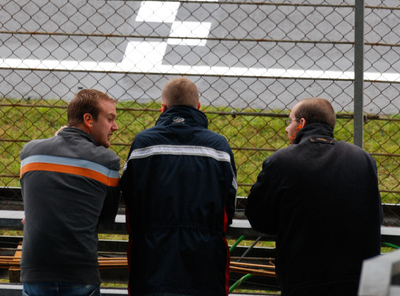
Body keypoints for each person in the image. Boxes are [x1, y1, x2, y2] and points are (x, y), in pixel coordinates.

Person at [245, 97, 382, 296]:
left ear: (301, 124)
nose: (286, 128)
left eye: (290, 121)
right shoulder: (363, 159)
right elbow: (374, 215)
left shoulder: (281, 161)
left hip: (303, 277)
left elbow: (258, 218)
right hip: (359, 279)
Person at [120, 77, 237, 296]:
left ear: (162, 108)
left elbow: (129, 194)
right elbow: (229, 200)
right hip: (205, 256)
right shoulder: (218, 146)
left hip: (150, 255)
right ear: (199, 107)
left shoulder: (143, 143)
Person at [20, 88, 120, 296]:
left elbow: (34, 202)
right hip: (79, 272)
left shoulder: (30, 152)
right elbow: (105, 218)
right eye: (110, 119)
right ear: (88, 120)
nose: (115, 127)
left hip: (35, 271)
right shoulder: (107, 161)